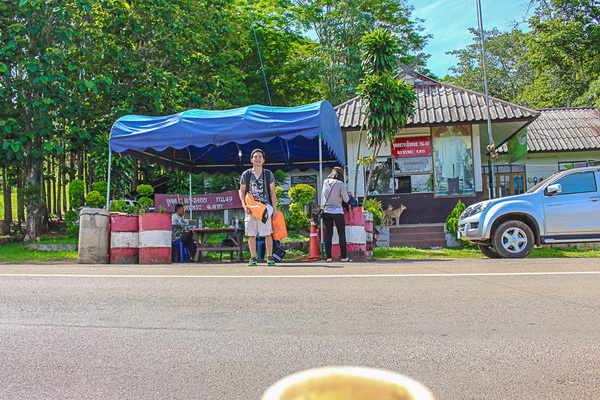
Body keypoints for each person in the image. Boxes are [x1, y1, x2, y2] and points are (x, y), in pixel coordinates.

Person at [239, 149, 279, 266]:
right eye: (255, 157)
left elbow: (272, 192)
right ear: (251, 159)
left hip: (264, 208)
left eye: (260, 157)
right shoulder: (246, 174)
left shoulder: (268, 174)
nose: (257, 159)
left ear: (263, 160)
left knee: (267, 233)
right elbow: (241, 191)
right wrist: (244, 205)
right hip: (251, 208)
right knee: (251, 234)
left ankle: (270, 257)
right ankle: (253, 257)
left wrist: (274, 208)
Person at [321, 166, 352, 262]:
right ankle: (344, 257)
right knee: (341, 234)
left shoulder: (325, 182)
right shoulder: (340, 184)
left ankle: (329, 257)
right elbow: (346, 199)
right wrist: (349, 194)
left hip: (326, 211)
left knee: (328, 234)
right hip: (337, 211)